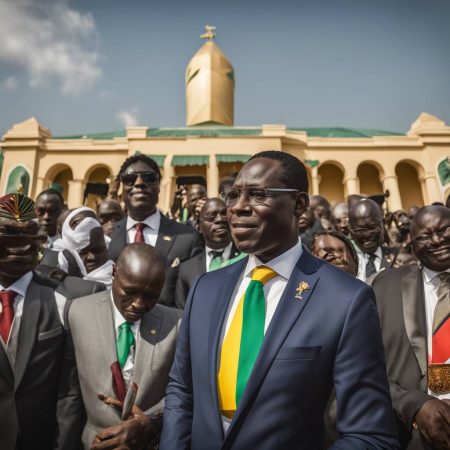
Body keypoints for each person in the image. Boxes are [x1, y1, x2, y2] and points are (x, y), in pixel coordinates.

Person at [160, 150, 399, 449]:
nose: (237, 208)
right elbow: (182, 391)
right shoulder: (205, 289)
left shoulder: (346, 300)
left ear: (299, 204)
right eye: (233, 196)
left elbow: (371, 436)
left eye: (257, 195)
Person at [56, 244, 182, 450]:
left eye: (151, 296)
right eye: (130, 292)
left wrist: (148, 422)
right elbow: (69, 393)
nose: (139, 304)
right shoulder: (77, 312)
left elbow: (185, 392)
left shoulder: (177, 324)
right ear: (114, 272)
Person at [373, 205, 450, 450]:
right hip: (413, 434)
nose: (437, 240)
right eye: (425, 237)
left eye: (444, 230)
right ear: (412, 244)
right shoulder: (385, 287)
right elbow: (365, 362)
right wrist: (412, 405)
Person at [0, 193, 67, 450]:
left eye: (29, 233)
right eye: (9, 233)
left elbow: (68, 390)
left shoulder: (62, 298)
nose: (20, 245)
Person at [108, 155, 202, 307]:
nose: (139, 183)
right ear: (121, 187)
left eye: (149, 178)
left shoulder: (188, 238)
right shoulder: (108, 236)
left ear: (159, 186)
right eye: (129, 179)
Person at [175, 198, 242, 308]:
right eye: (211, 217)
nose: (220, 219)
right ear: (199, 227)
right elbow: (182, 311)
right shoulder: (186, 269)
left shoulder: (247, 259)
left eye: (224, 214)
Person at [57, 207, 114, 287]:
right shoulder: (57, 283)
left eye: (97, 250)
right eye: (83, 252)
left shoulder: (122, 278)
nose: (91, 257)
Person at [349, 198, 393, 282]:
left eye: (372, 227)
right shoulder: (344, 263)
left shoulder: (398, 259)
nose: (367, 234)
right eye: (359, 230)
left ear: (382, 224)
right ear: (350, 230)